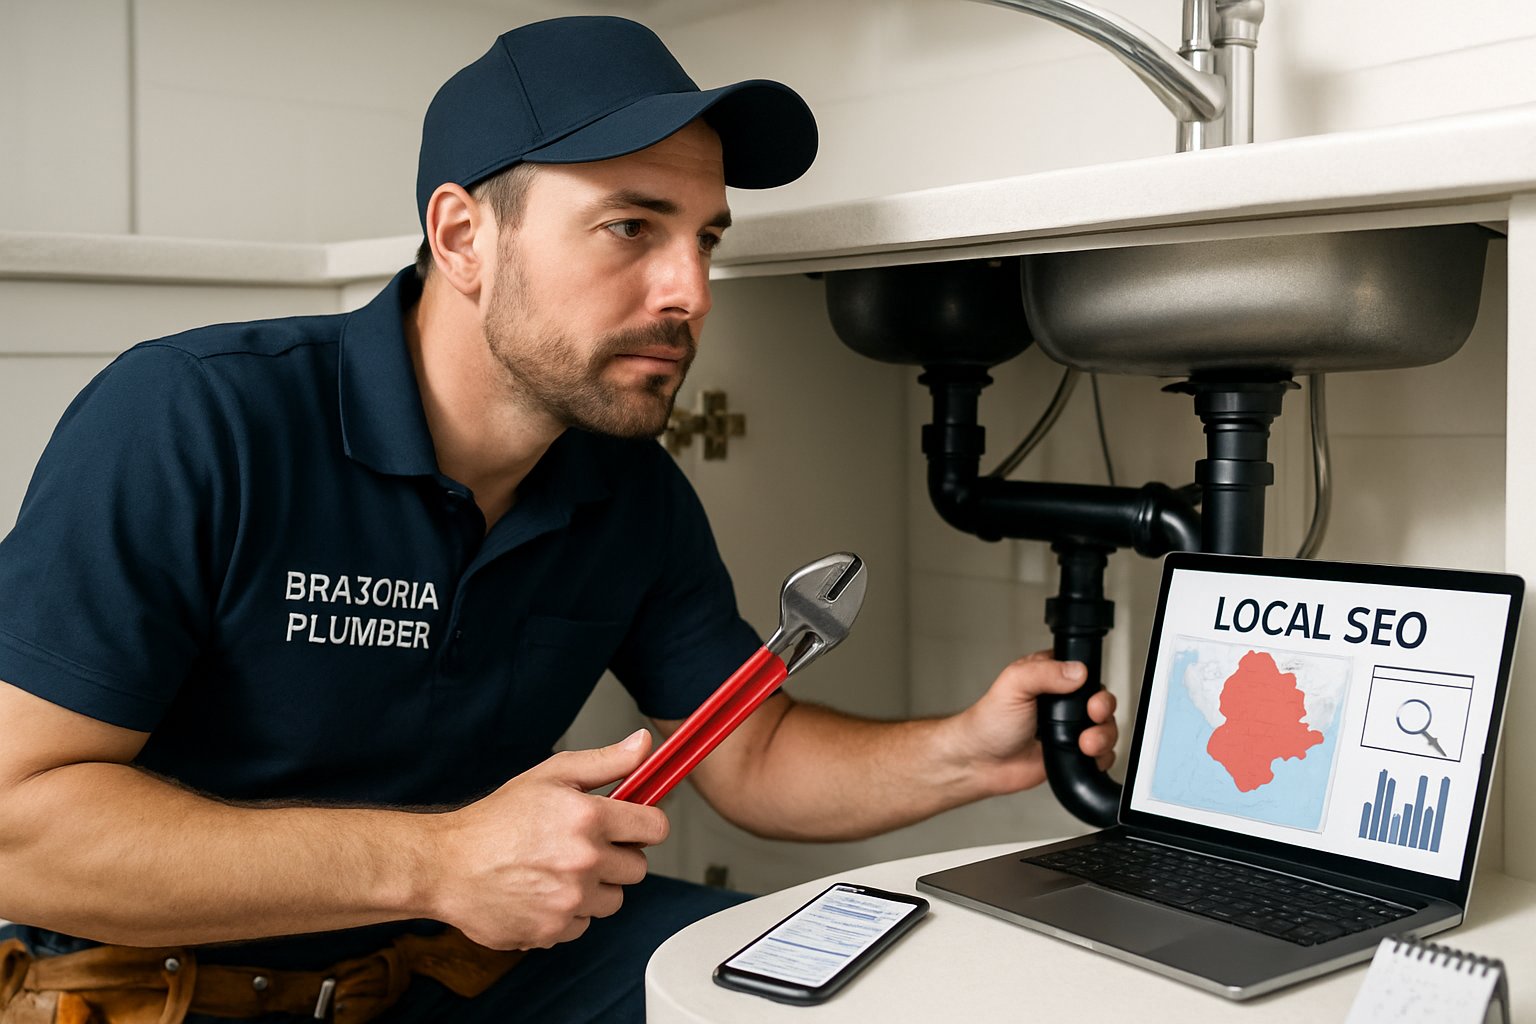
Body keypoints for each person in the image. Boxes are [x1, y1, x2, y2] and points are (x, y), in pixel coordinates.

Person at [0, 15, 1118, 1024]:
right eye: (631, 226)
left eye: (706, 237)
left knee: (797, 982)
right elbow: (17, 827)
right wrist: (440, 861)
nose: (692, 292)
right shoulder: (195, 419)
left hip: (449, 964)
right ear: (461, 238)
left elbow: (745, 751)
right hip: (155, 990)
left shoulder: (622, 484)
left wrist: (961, 753)